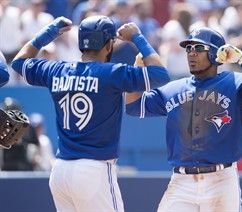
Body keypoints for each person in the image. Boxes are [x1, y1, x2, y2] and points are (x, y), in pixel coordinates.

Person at [11, 15, 169, 211]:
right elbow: (161, 74)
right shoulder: (112, 73)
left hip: (60, 171)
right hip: (93, 170)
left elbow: (18, 63)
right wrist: (137, 37)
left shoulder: (57, 70)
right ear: (109, 45)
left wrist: (48, 33)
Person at [125, 27, 242, 211]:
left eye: (199, 48)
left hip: (221, 180)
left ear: (216, 54)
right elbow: (134, 106)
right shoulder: (173, 88)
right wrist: (137, 73)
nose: (192, 53)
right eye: (189, 48)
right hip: (181, 181)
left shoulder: (234, 82)